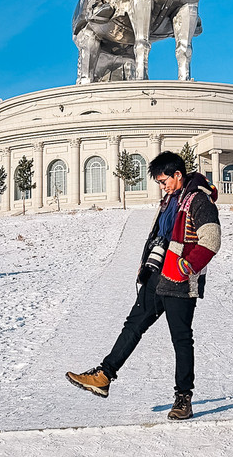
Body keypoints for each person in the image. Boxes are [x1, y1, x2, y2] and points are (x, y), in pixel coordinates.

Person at [66, 151, 220, 420]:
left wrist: (184, 267)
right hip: (157, 275)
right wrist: (148, 263)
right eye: (159, 182)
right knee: (133, 325)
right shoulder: (170, 200)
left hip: (180, 281)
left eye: (163, 181)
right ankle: (104, 376)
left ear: (178, 175)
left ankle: (183, 398)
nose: (162, 186)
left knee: (181, 339)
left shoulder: (198, 200)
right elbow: (160, 235)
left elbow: (212, 239)